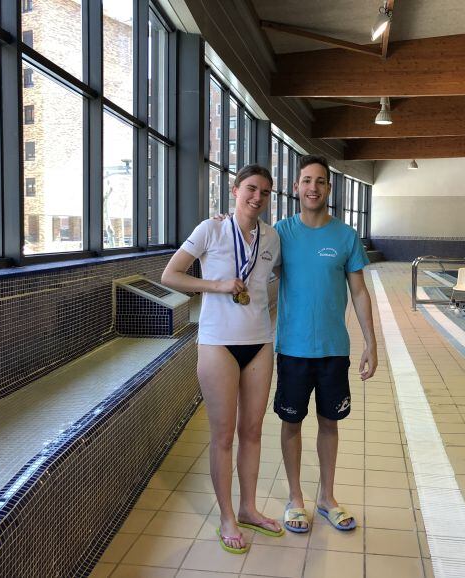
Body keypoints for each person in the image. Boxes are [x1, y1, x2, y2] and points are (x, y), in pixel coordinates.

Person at [161, 164, 283, 555]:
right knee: (224, 434)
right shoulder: (210, 228)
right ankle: (227, 515)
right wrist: (215, 285)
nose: (257, 197)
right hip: (217, 343)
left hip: (260, 342)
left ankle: (248, 508)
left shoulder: (272, 237)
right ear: (234, 190)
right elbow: (171, 275)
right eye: (251, 188)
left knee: (253, 432)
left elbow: (274, 280)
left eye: (265, 192)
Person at [274, 155, 378, 534]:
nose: (313, 187)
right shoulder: (281, 233)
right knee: (291, 423)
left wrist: (371, 342)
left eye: (320, 181)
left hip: (334, 348)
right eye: (306, 180)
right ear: (297, 187)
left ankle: (327, 498)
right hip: (292, 349)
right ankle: (295, 498)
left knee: (329, 423)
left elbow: (360, 292)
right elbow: (250, 253)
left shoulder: (345, 236)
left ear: (329, 189)